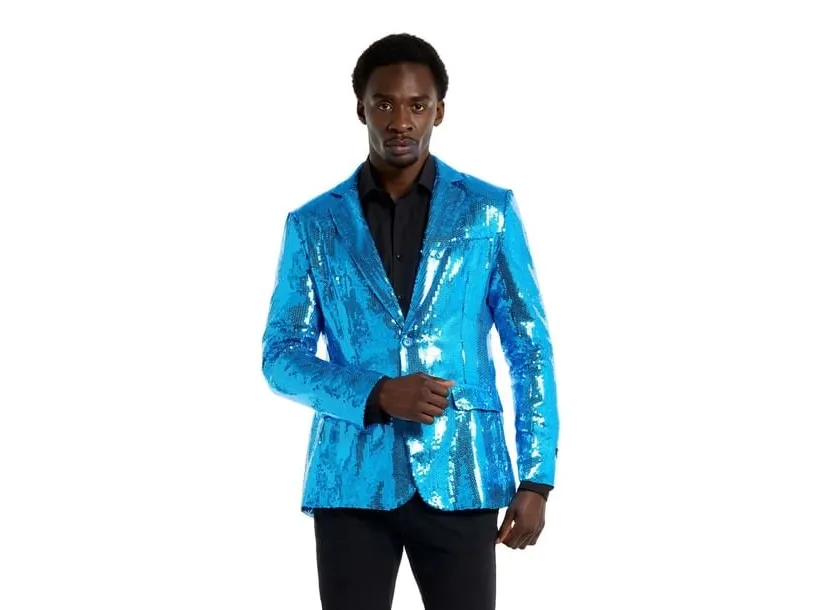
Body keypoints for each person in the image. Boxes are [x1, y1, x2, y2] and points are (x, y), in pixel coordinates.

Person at [261, 32, 560, 610]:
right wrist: (376, 393)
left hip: (464, 472)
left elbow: (530, 348)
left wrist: (537, 477)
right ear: (361, 109)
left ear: (439, 111)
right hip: (350, 479)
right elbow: (280, 356)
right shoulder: (313, 224)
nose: (401, 121)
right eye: (385, 103)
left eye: (417, 105)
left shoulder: (488, 211)